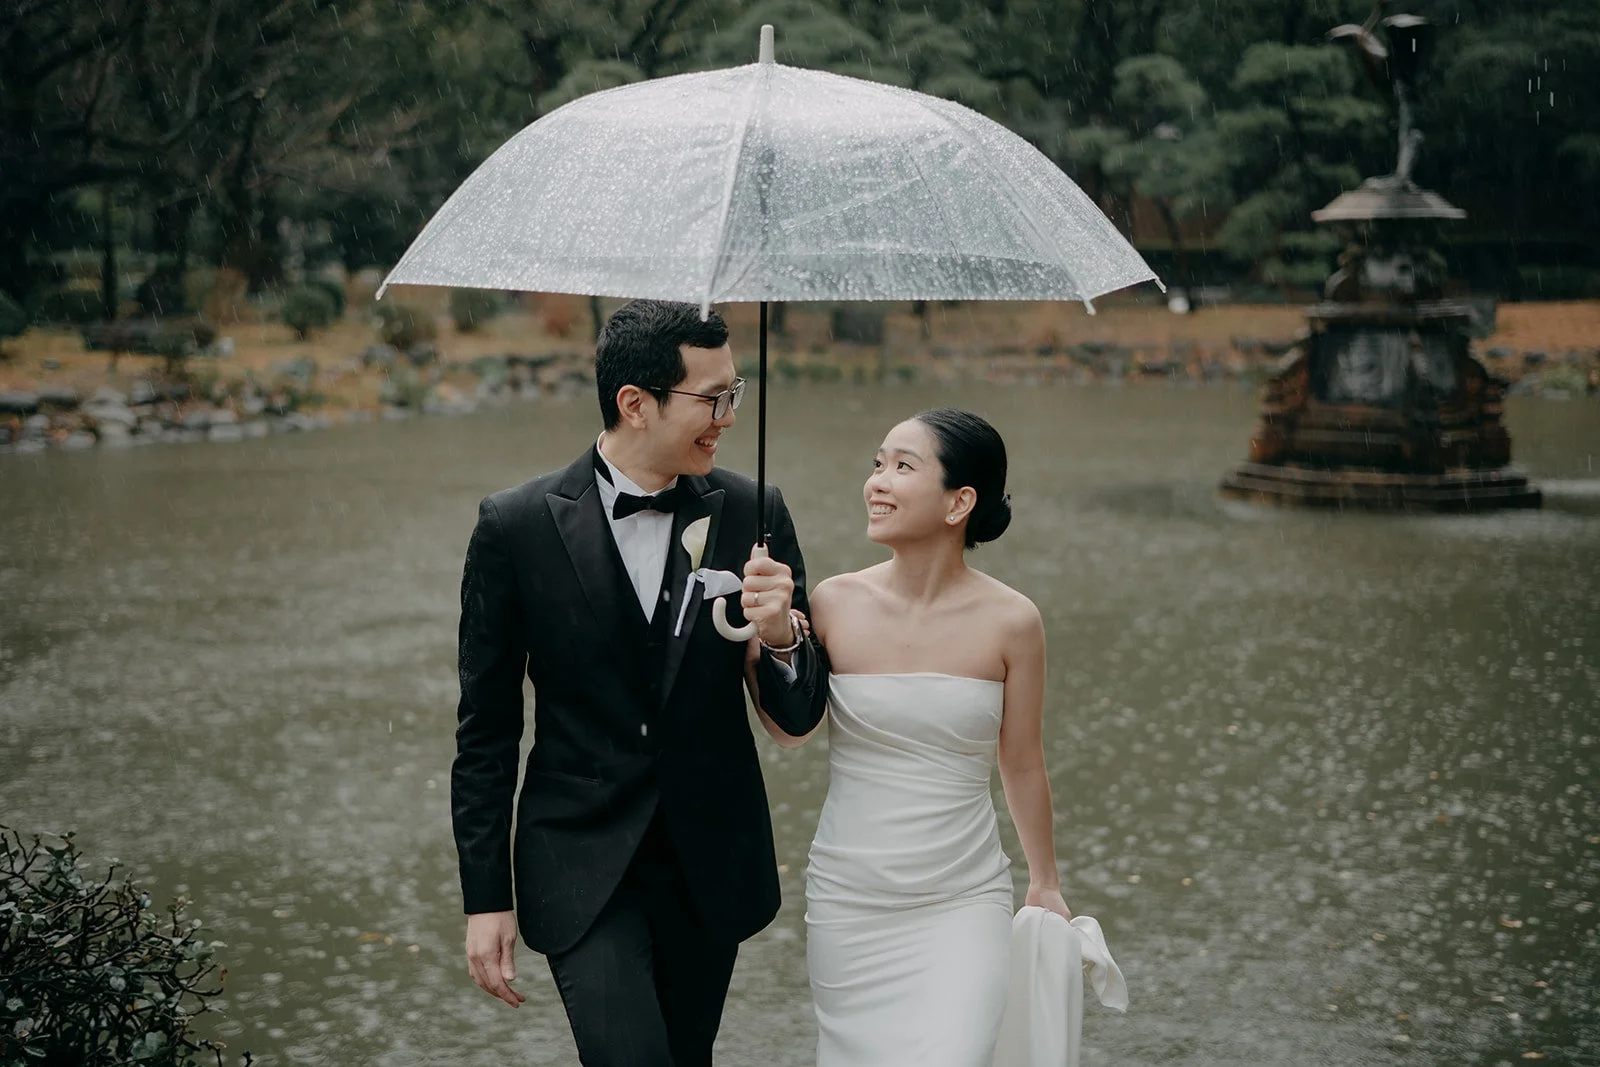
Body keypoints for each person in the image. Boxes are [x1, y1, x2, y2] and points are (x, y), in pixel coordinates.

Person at [451, 299, 829, 1067]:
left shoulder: (755, 512)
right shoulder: (514, 526)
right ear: (635, 403)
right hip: (578, 859)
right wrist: (486, 895)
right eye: (711, 398)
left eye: (735, 394)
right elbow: (485, 730)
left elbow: (799, 710)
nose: (727, 415)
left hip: (710, 859)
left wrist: (781, 631)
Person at [766, 408, 1073, 1067]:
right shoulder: (831, 602)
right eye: (878, 463)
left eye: (903, 466)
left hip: (962, 900)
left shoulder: (1013, 621)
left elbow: (1021, 763)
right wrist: (770, 635)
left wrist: (1045, 879)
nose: (877, 481)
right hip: (850, 901)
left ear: (960, 500)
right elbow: (791, 733)